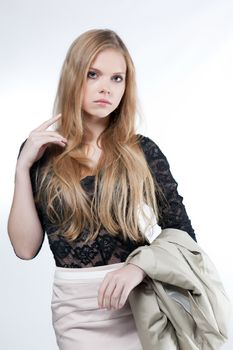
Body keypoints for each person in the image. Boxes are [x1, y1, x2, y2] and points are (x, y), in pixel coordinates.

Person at [7, 28, 197, 350]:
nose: (106, 88)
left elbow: (182, 233)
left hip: (139, 302)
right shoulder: (41, 152)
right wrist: (23, 168)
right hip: (75, 313)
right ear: (73, 77)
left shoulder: (142, 151)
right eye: (93, 74)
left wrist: (139, 268)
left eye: (117, 78)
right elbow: (25, 249)